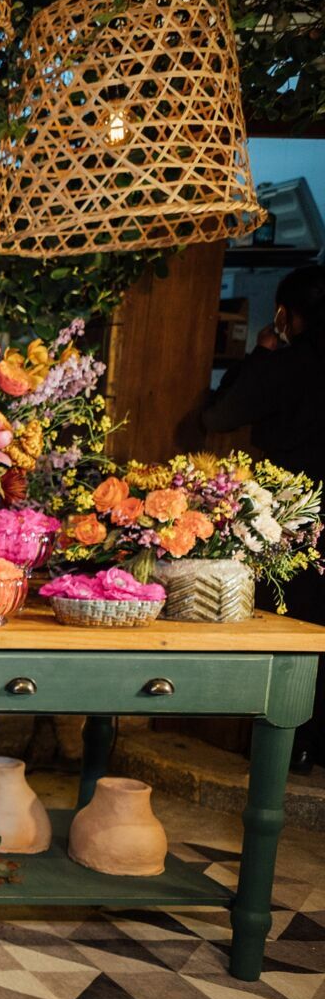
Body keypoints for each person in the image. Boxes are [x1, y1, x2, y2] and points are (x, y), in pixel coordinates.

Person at [203, 263, 325, 768]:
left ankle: (289, 746)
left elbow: (217, 417)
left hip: (300, 520)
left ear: (288, 314)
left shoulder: (290, 367)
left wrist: (261, 351)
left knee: (293, 628)